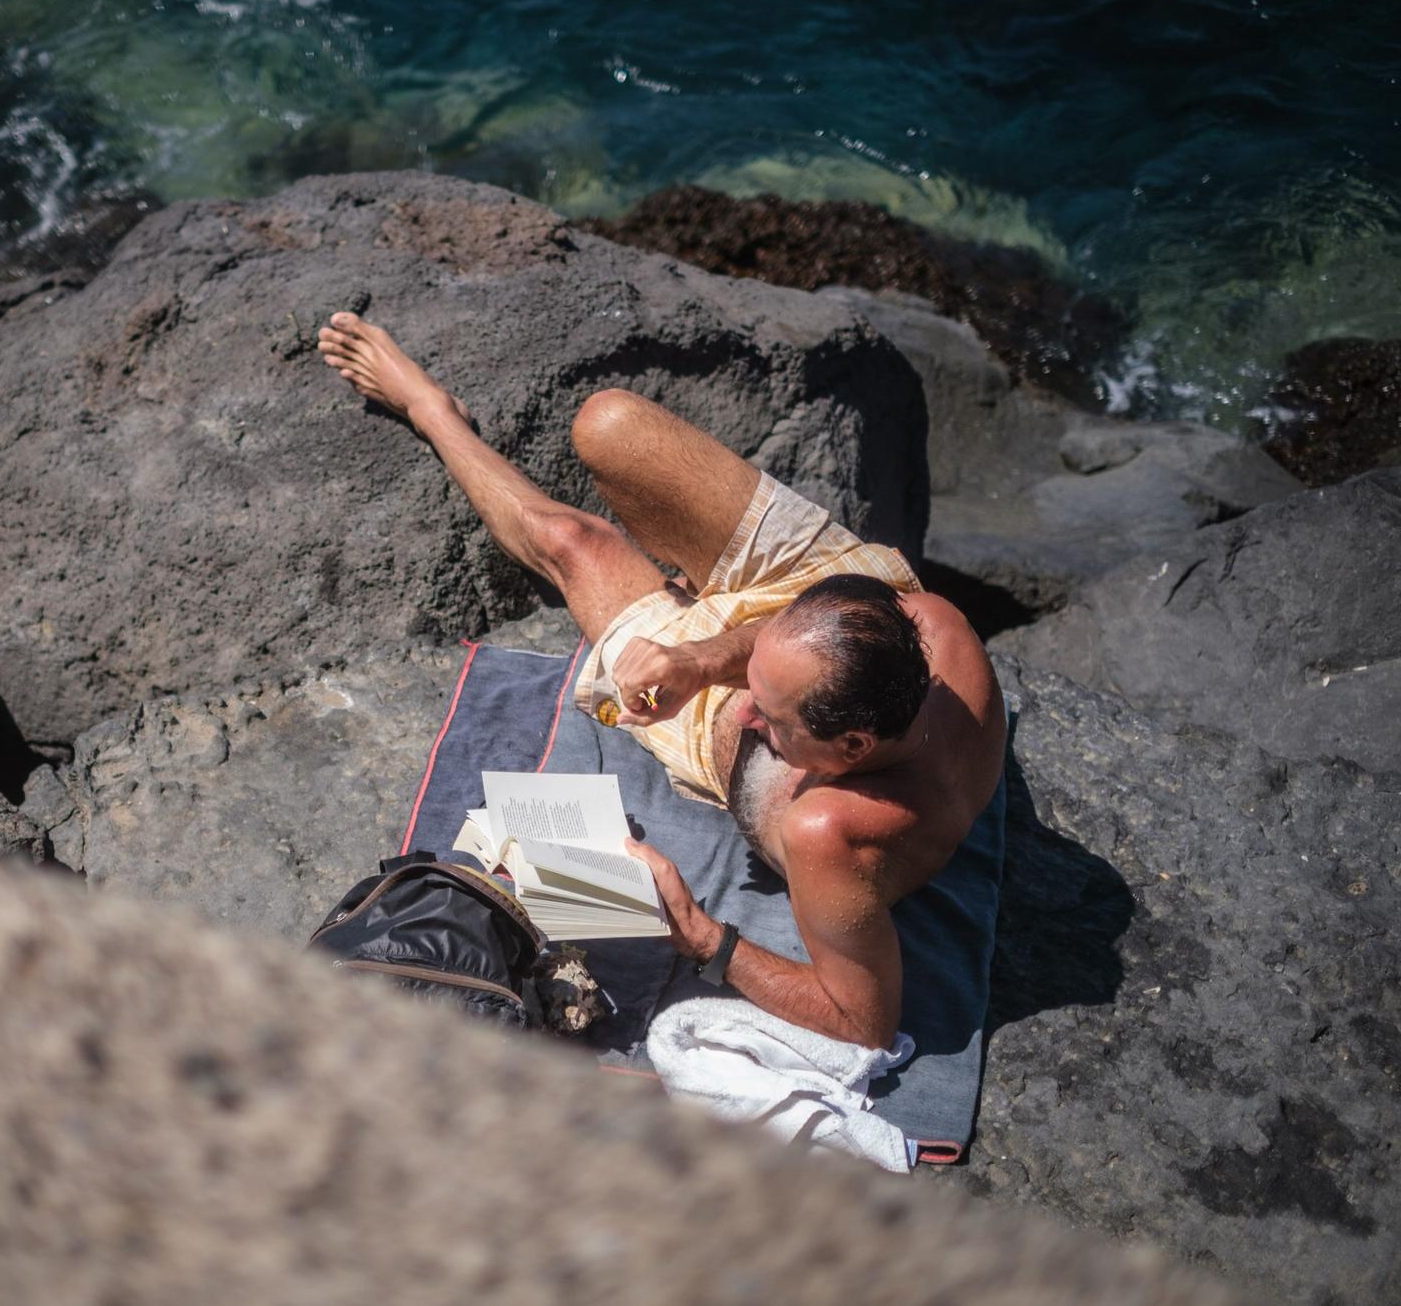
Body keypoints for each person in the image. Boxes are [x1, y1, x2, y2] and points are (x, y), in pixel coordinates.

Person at [317, 311, 1006, 1049]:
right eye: (758, 697)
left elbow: (865, 1023)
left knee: (569, 543)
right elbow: (853, 620)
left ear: (852, 747)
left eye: (773, 723)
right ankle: (759, 641)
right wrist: (701, 658)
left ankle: (434, 412)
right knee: (606, 423)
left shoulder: (828, 831)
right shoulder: (932, 628)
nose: (744, 716)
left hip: (816, 688)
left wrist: (700, 934)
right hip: (814, 601)